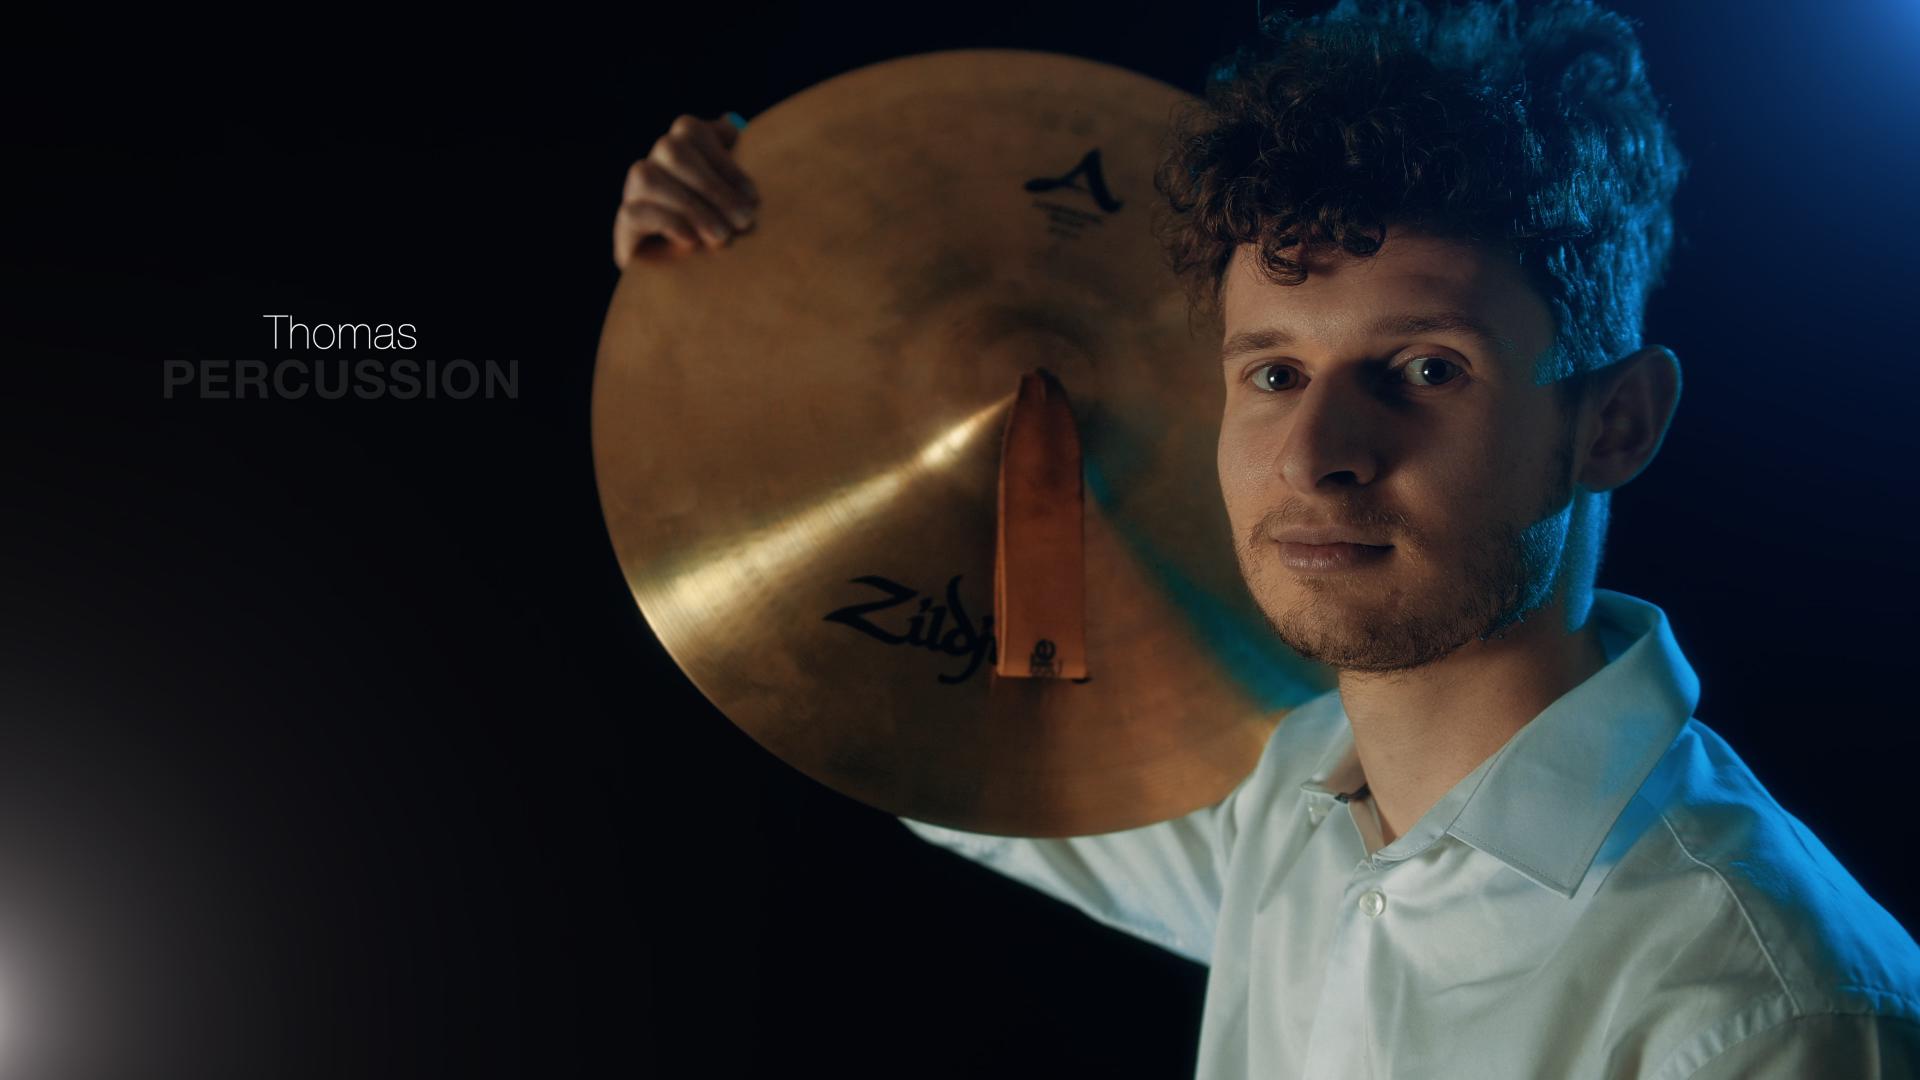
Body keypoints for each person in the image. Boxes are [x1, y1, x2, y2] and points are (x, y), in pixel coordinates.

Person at [612, 1, 1920, 1075]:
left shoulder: (1767, 1007)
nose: (1313, 454)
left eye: (1424, 369)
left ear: (1616, 423)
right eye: (1275, 374)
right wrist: (751, 274)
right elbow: (936, 741)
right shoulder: (1293, 806)